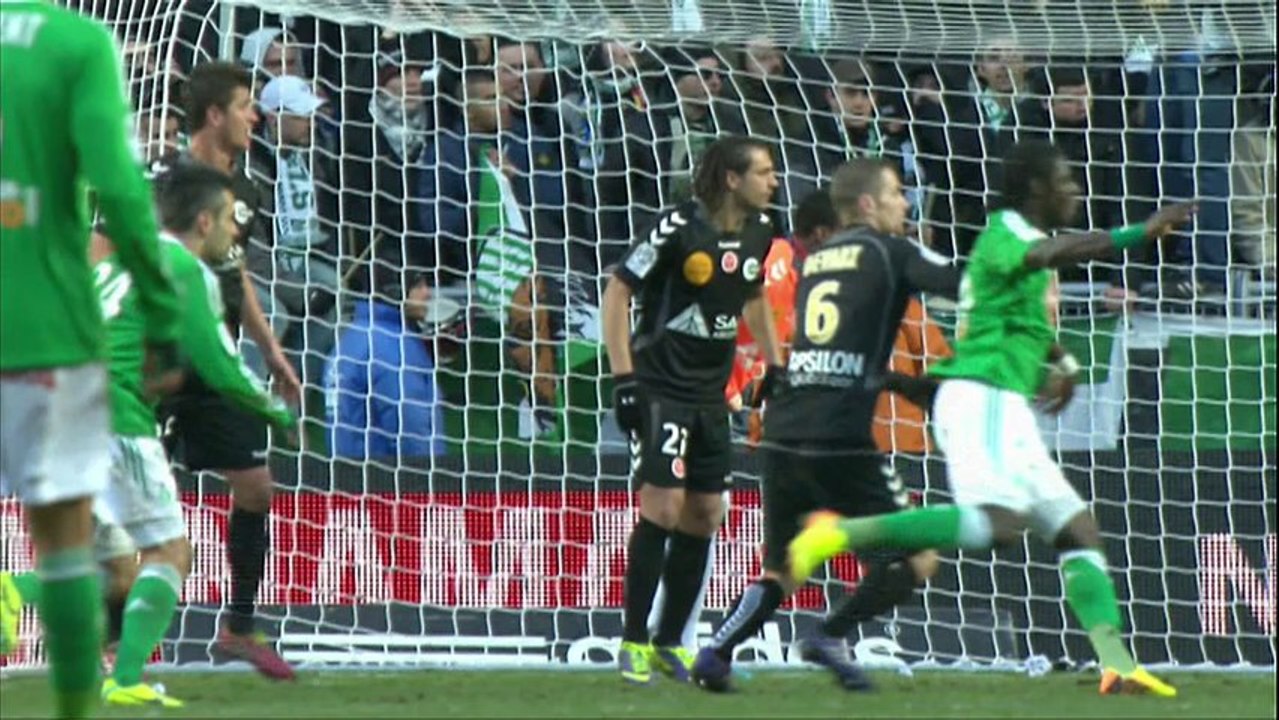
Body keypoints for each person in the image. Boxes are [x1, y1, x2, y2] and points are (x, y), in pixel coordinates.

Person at [788, 140, 1196, 698]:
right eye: (1064, 180)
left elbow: (1017, 317)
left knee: (1078, 528)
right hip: (979, 398)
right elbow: (1047, 257)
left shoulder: (1017, 239)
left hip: (1005, 405)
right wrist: (1136, 233)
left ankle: (1117, 664)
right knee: (999, 524)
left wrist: (1066, 361)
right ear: (1035, 190)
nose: (1075, 189)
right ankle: (838, 533)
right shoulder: (1007, 233)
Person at [3, 164, 297, 708]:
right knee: (170, 551)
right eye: (230, 223)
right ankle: (124, 677)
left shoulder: (119, 257)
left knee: (114, 568)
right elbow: (221, 366)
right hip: (111, 418)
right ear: (204, 220)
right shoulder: (185, 270)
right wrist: (277, 412)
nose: (236, 235)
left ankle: (19, 595)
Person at [690, 159, 957, 692]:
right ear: (867, 205)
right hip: (841, 438)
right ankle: (831, 633)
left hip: (785, 430)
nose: (905, 204)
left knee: (785, 566)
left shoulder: (817, 261)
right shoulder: (890, 250)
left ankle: (715, 653)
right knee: (921, 555)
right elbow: (955, 280)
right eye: (897, 193)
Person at [0, 5, 183, 717]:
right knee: (70, 545)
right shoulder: (76, 44)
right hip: (44, 327)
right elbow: (121, 185)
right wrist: (165, 312)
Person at [602, 136, 783, 685]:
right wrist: (625, 379)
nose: (773, 181)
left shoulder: (762, 230)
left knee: (705, 513)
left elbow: (751, 293)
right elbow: (617, 292)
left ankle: (669, 640)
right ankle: (632, 640)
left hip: (709, 395)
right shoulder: (677, 226)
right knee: (662, 505)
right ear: (732, 179)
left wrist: (774, 364)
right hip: (660, 388)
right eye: (763, 172)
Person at [150, 60, 302, 680]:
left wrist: (269, 350)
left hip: (215, 360)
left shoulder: (248, 190)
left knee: (256, 485)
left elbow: (236, 274)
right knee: (139, 504)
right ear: (215, 115)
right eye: (246, 105)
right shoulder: (165, 180)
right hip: (154, 360)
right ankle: (104, 640)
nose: (257, 115)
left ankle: (238, 626)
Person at [325, 256, 444, 460]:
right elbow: (411, 430)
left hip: (347, 477)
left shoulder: (350, 339)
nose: (427, 293)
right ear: (395, 291)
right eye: (418, 286)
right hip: (390, 483)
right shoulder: (392, 348)